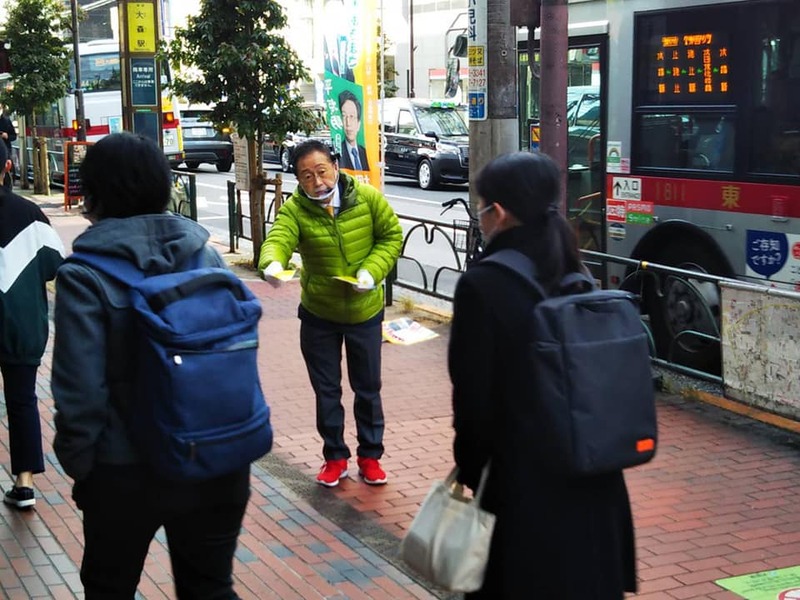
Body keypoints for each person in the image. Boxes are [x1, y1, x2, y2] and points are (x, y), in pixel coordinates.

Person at [51, 132, 250, 599]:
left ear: (93, 194)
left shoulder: (84, 277)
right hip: (217, 459)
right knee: (209, 588)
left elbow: (79, 393)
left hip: (125, 469)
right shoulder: (207, 254)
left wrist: (83, 468)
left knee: (109, 587)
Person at [448, 151, 637, 599]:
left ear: (499, 212)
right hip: (595, 480)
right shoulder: (576, 270)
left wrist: (470, 470)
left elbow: (474, 402)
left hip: (525, 490)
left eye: (483, 207)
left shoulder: (484, 284)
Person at [259, 139, 401, 487]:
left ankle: (370, 457)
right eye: (307, 176)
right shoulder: (295, 209)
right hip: (319, 313)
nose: (317, 182)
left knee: (367, 388)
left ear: (335, 166)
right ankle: (334, 457)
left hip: (364, 312)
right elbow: (278, 239)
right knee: (327, 390)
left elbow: (391, 236)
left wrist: (372, 270)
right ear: (298, 179)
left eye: (322, 172)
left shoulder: (367, 199)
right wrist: (272, 264)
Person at [0, 140, 64, 509]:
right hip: (23, 328)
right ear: (8, 167)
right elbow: (56, 266)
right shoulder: (31, 214)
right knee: (22, 400)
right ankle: (24, 484)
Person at [338, 90, 369, 172]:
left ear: (359, 124)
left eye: (352, 117)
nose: (348, 123)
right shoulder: (338, 152)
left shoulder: (366, 153)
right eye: (344, 117)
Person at [0, 106, 17, 190]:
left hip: (5, 150)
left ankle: (8, 188)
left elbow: (14, 136)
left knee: (7, 174)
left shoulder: (6, 121)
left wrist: (7, 136)